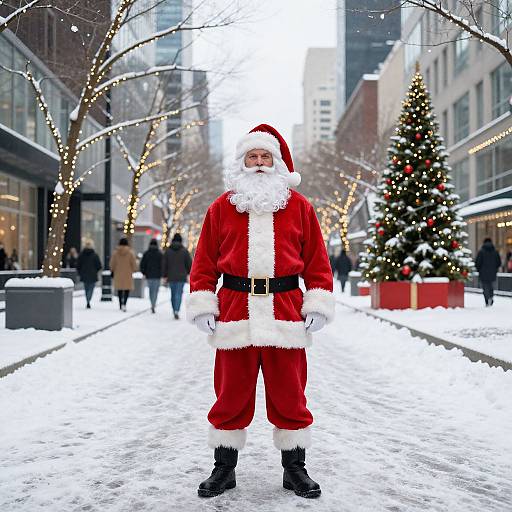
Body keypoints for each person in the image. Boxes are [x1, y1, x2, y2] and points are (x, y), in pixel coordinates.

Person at [186, 124, 334, 499]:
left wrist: (317, 301)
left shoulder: (300, 207)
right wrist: (204, 300)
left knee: (290, 394)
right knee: (230, 394)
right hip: (236, 312)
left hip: (285, 312)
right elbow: (203, 262)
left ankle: (295, 469)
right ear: (241, 163)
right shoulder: (221, 207)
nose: (258, 164)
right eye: (252, 157)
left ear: (277, 163)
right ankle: (223, 468)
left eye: (265, 157)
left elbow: (317, 261)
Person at [162, 233, 192, 319]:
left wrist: (165, 275)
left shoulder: (168, 251)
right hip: (181, 276)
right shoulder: (185, 251)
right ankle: (177, 310)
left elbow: (164, 264)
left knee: (173, 293)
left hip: (171, 276)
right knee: (179, 293)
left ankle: (174, 309)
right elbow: (189, 264)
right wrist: (188, 272)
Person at [110, 237, 137, 312]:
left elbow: (112, 263)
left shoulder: (115, 253)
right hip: (127, 274)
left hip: (118, 273)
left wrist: (112, 269)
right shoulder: (130, 253)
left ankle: (120, 304)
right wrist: (134, 269)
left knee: (120, 290)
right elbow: (134, 264)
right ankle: (124, 303)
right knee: (126, 290)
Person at [475, 238, 501, 306]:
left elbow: (478, 263)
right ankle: (491, 297)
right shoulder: (495, 252)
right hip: (492, 272)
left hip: (483, 272)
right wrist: (495, 268)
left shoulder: (481, 252)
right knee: (491, 286)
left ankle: (487, 299)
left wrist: (478, 269)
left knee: (485, 287)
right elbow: (499, 262)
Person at [76, 240, 102, 308]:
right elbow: (99, 265)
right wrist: (96, 270)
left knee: (86, 288)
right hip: (92, 274)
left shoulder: (82, 255)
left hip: (84, 274)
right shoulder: (95, 255)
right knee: (91, 288)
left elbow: (78, 265)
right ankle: (88, 299)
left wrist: (80, 272)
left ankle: (87, 300)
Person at [140, 238, 163, 313]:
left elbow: (142, 264)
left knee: (151, 290)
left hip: (149, 275)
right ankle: (154, 304)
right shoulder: (160, 254)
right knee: (155, 291)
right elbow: (162, 265)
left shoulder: (146, 253)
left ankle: (152, 304)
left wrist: (144, 272)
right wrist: (162, 273)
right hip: (157, 276)